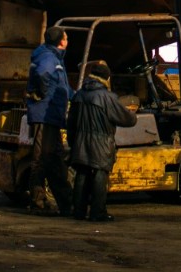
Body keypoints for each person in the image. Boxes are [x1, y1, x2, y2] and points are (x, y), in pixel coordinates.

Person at [67, 59, 138, 222]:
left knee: (82, 174)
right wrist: (132, 114)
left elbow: (70, 122)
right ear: (106, 79)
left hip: (81, 141)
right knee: (100, 175)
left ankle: (78, 211)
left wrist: (73, 143)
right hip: (102, 143)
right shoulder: (107, 97)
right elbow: (128, 120)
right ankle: (97, 212)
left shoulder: (79, 95)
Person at [25, 25, 74, 216]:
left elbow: (63, 87)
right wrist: (45, 94)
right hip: (45, 115)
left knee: (53, 158)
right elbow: (43, 74)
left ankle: (64, 202)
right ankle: (39, 202)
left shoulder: (53, 57)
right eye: (67, 38)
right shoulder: (49, 58)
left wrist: (77, 96)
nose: (68, 41)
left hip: (50, 115)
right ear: (61, 41)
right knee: (43, 158)